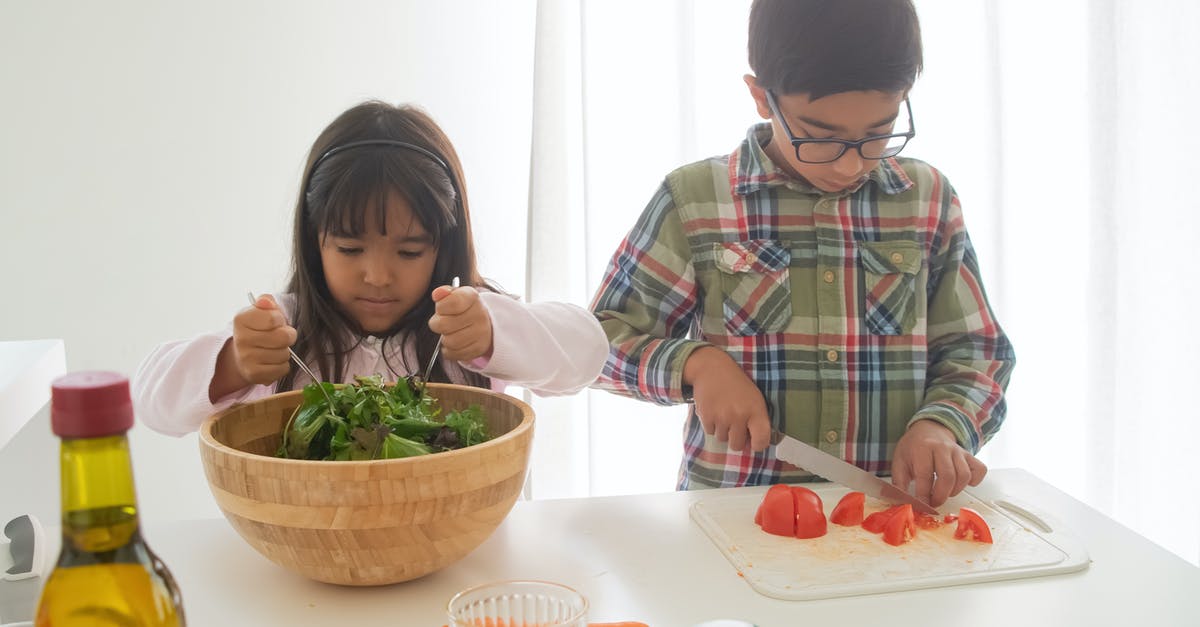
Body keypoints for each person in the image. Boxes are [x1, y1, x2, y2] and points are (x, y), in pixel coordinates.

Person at [589, 0, 1015, 507]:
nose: (851, 164)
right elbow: (598, 346)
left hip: (891, 522)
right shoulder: (695, 201)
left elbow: (977, 353)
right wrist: (696, 364)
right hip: (735, 520)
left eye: (879, 133)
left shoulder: (927, 200)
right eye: (819, 137)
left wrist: (942, 426)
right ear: (761, 98)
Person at [134, 101, 608, 436]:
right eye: (349, 248)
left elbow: (588, 353)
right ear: (312, 240)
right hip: (310, 566)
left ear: (442, 248)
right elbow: (150, 400)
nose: (378, 276)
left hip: (462, 559)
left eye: (408, 253)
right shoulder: (284, 328)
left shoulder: (467, 322)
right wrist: (233, 364)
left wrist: (494, 333)